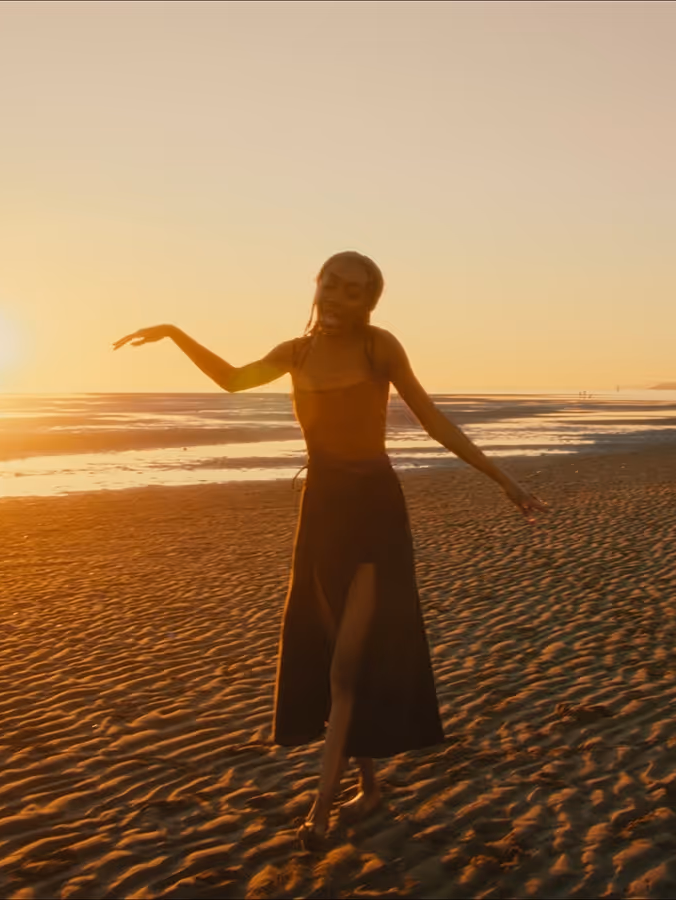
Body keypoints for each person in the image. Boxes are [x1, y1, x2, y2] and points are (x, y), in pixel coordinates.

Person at [114, 251, 547, 849]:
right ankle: (369, 788)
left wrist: (504, 480)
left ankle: (319, 809)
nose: (339, 299)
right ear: (316, 285)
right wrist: (173, 332)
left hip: (373, 514)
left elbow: (433, 420)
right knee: (335, 654)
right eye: (332, 285)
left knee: (345, 666)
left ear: (369, 302)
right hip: (319, 513)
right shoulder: (294, 353)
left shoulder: (378, 347)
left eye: (354, 292)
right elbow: (233, 381)